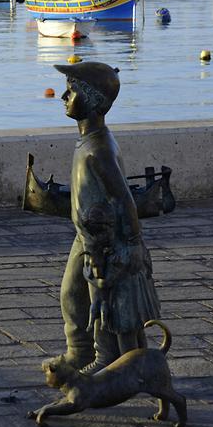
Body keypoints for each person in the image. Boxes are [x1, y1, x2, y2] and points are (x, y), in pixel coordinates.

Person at [46, 61, 160, 375]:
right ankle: (80, 352)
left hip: (102, 242)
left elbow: (123, 199)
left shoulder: (99, 150)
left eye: (72, 90)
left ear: (93, 99)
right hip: (86, 235)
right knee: (72, 294)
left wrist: (132, 245)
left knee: (96, 300)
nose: (63, 96)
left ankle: (104, 358)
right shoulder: (90, 143)